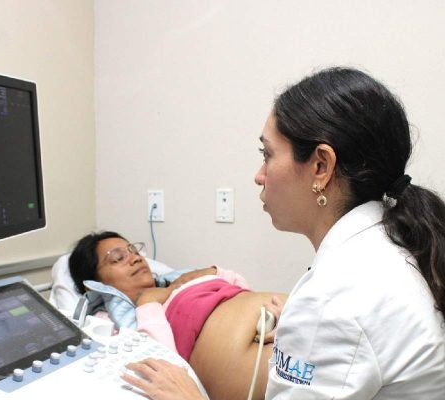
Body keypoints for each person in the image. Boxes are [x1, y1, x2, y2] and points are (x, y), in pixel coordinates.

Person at [122, 67, 445, 399]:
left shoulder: (335, 299)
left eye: (268, 155)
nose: (259, 176)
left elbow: (344, 318)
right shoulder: (390, 246)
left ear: (321, 166)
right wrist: (301, 324)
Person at [68, 230, 287, 400]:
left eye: (134, 251)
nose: (135, 258)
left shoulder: (178, 282)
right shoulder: (109, 324)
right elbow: (160, 361)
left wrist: (213, 272)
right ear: (94, 283)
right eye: (118, 258)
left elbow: (242, 290)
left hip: (283, 324)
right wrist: (147, 302)